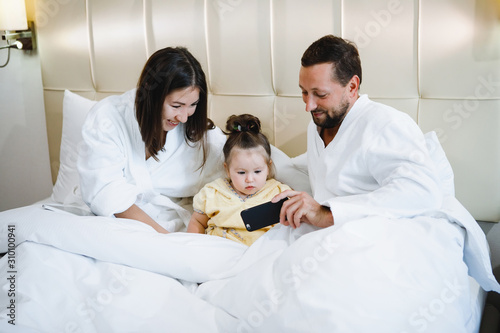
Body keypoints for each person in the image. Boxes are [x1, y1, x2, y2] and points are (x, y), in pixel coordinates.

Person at [271, 34, 500, 292]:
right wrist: (273, 167)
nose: (309, 105)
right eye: (304, 92)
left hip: (371, 239)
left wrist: (328, 213)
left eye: (319, 94)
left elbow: (421, 191)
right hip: (321, 238)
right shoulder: (320, 121)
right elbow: (331, 162)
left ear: (353, 87)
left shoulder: (386, 125)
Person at [77, 47, 226, 234]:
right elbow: (107, 191)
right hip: (116, 224)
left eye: (192, 105)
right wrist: (164, 238)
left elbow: (243, 155)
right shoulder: (107, 118)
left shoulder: (193, 130)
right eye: (176, 105)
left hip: (175, 224)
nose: (184, 117)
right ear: (151, 94)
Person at [187, 114, 291, 246]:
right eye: (241, 172)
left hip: (261, 252)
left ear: (268, 167)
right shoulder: (212, 192)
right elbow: (197, 222)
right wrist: (194, 246)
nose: (249, 179)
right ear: (227, 170)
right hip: (218, 250)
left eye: (258, 171)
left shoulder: (279, 192)